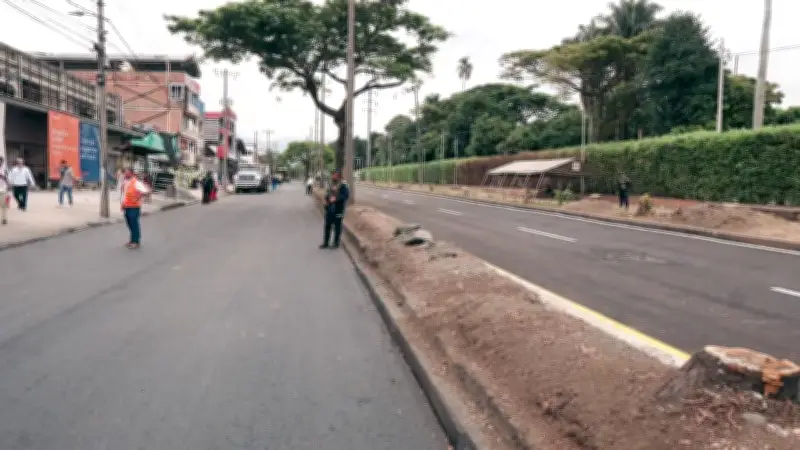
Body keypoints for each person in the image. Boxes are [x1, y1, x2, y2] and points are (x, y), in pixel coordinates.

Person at [120, 168, 149, 249]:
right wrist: (122, 204)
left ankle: (136, 242)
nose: (126, 174)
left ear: (132, 173)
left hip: (134, 207)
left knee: (134, 224)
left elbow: (145, 191)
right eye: (125, 173)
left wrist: (138, 197)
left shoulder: (136, 182)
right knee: (129, 223)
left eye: (127, 173)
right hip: (126, 206)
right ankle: (132, 240)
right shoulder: (125, 182)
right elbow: (124, 194)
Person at [320, 170, 349, 249]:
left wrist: (336, 199)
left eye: (335, 175)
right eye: (332, 175)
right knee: (327, 226)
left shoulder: (343, 185)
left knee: (337, 227)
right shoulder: (330, 184)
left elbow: (345, 195)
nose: (333, 176)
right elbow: (327, 194)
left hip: (338, 209)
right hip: (329, 209)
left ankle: (336, 243)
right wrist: (326, 200)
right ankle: (326, 243)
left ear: (339, 176)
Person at [0, 156, 8, 225]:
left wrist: (2, 176)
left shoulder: (5, 170)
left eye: (1, 161)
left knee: (3, 205)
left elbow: (8, 179)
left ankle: (4, 218)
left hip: (2, 189)